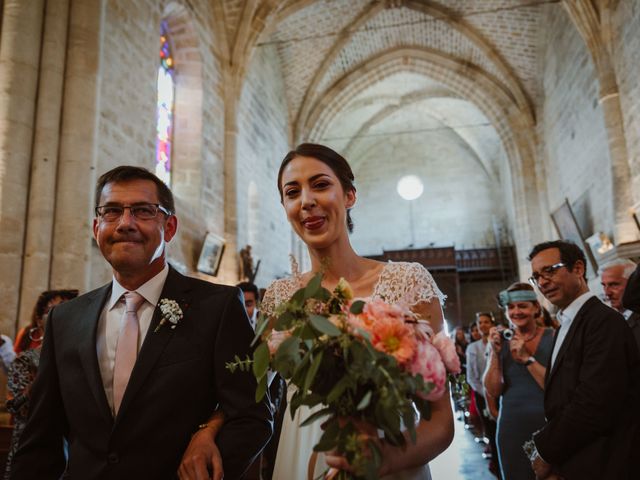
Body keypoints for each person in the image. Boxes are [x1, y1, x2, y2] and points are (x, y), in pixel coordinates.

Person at [11, 166, 272, 480]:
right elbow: (42, 437)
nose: (125, 223)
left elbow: (252, 416)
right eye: (111, 211)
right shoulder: (65, 319)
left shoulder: (216, 307)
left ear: (170, 226)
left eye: (142, 211)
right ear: (96, 227)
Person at [263, 143, 453, 479]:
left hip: (391, 463)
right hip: (302, 456)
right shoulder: (279, 298)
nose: (306, 201)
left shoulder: (407, 280)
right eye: (292, 192)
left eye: (320, 185)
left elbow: (439, 422)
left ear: (349, 195)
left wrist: (384, 459)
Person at [527, 240, 640, 479]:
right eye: (536, 276)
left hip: (602, 461)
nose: (542, 281)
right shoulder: (565, 324)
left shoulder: (603, 322)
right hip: (576, 457)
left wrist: (546, 451)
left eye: (550, 270)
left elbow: (594, 403)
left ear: (578, 269)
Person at [4, 289, 79, 480]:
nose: (64, 316)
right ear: (39, 321)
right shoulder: (25, 360)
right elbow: (16, 408)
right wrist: (42, 379)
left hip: (76, 452)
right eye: (55, 310)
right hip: (34, 447)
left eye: (71, 309)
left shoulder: (84, 358)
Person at [484, 283, 553, 479]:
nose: (516, 312)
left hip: (548, 425)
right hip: (512, 426)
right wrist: (495, 355)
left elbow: (556, 388)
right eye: (511, 307)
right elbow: (493, 390)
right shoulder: (501, 340)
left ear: (536, 308)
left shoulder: (553, 337)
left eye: (522, 306)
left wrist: (527, 359)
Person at [465, 312, 499, 476]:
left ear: (492, 323)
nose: (483, 325)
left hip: (501, 394)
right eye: (480, 322)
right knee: (491, 429)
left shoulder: (499, 342)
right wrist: (486, 393)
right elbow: (472, 376)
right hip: (481, 394)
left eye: (486, 322)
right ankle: (496, 463)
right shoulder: (473, 347)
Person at [600, 259, 640, 351]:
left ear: (632, 282)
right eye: (604, 285)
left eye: (614, 284)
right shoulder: (606, 325)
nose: (607, 293)